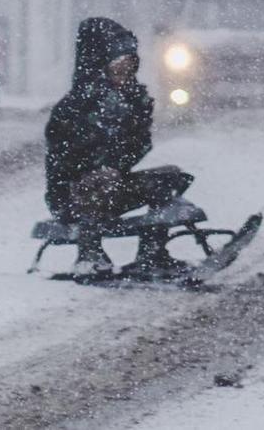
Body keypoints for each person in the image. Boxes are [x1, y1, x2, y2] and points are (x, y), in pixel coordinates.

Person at [45, 17, 191, 278]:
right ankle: (89, 254)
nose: (125, 74)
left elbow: (137, 147)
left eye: (129, 67)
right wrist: (98, 167)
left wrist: (136, 116)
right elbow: (65, 158)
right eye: (118, 68)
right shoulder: (75, 106)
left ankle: (152, 253)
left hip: (112, 185)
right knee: (98, 182)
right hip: (73, 195)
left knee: (169, 178)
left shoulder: (131, 100)